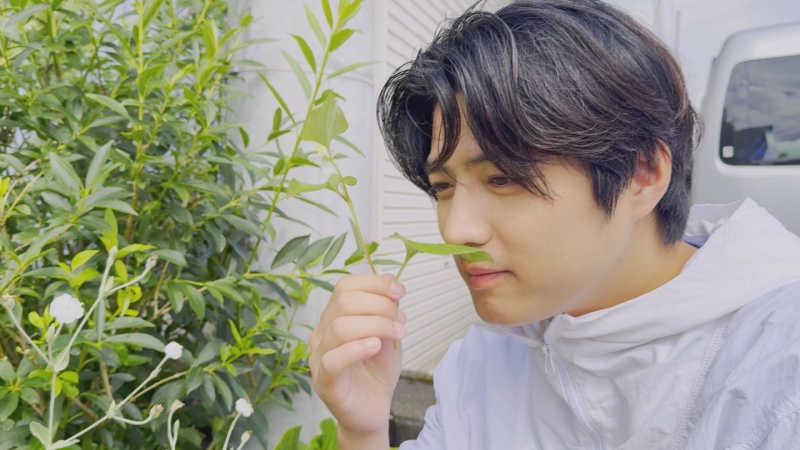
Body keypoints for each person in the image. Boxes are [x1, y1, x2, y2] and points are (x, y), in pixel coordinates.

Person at [308, 0, 800, 448]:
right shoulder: (488, 353)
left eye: (502, 178)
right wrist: (364, 429)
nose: (456, 231)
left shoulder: (776, 368)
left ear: (642, 174)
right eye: (443, 186)